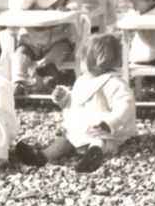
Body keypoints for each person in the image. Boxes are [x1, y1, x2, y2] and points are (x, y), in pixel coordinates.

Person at [12, 34, 137, 174]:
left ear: (95, 62)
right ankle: (43, 156)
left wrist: (109, 122)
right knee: (66, 140)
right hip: (83, 130)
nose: (80, 63)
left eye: (82, 60)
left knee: (100, 142)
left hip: (106, 132)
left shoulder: (113, 83)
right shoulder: (84, 80)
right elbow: (78, 101)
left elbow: (125, 106)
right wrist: (65, 98)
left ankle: (93, 156)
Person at [10, 0, 91, 95]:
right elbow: (20, 6)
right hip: (31, 40)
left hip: (57, 39)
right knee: (21, 53)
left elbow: (76, 4)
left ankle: (48, 67)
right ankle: (18, 81)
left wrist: (69, 8)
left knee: (62, 48)